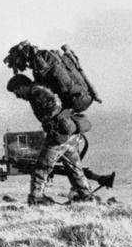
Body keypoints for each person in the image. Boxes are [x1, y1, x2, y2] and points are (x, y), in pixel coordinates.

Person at [7, 75, 92, 205]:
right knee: (74, 168)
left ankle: (36, 198)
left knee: (41, 167)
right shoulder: (39, 88)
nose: (17, 96)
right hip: (70, 133)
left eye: (16, 92)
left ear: (22, 86)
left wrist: (50, 121)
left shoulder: (36, 91)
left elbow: (55, 105)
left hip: (59, 135)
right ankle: (86, 196)